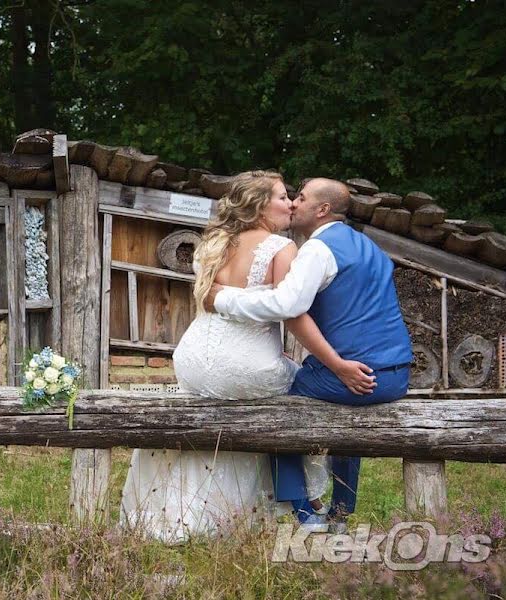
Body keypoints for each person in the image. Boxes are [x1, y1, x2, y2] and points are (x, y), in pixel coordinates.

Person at [119, 171, 372, 542]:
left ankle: (175, 507)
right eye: (283, 197)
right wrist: (334, 363)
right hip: (243, 367)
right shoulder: (281, 248)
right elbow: (294, 315)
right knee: (306, 389)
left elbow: (212, 301)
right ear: (258, 205)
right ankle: (309, 502)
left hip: (192, 361)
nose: (291, 204)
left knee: (273, 375)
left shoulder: (214, 243)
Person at [206, 177, 412, 528]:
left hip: (351, 375)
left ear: (322, 210)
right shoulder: (368, 246)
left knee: (278, 403)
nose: (293, 204)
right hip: (396, 375)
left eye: (300, 198)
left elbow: (288, 305)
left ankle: (302, 512)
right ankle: (341, 512)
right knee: (346, 414)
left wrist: (221, 298)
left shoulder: (317, 250)